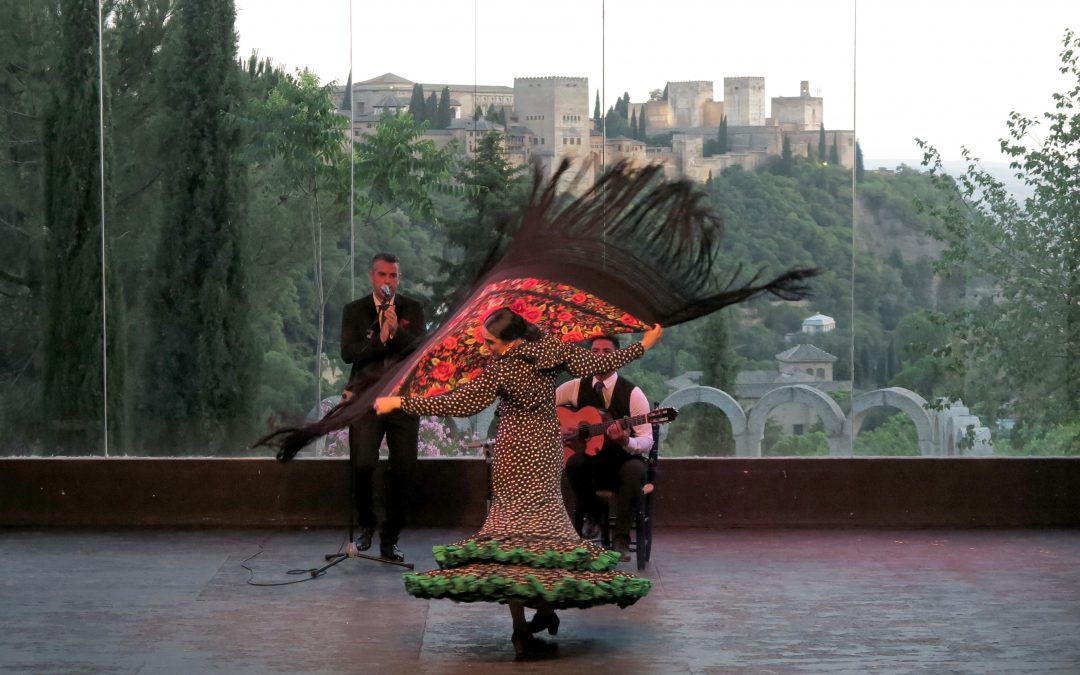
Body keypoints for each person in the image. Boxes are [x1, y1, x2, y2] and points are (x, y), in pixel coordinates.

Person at [374, 308, 662, 658]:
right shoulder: (550, 351)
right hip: (544, 454)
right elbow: (593, 363)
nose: (487, 347)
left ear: (510, 341)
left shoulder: (502, 368)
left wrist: (401, 402)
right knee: (543, 535)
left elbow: (460, 402)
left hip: (515, 458)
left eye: (491, 342)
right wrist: (643, 345)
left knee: (510, 539)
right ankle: (541, 607)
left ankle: (521, 627)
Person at [340, 252, 426, 562]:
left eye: (393, 276)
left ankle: (390, 539)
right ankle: (366, 526)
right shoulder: (355, 310)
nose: (387, 281)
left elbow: (421, 348)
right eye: (382, 275)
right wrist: (381, 337)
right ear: (372, 276)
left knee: (403, 469)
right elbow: (348, 353)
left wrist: (398, 331)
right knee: (363, 464)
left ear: (398, 279)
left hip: (403, 399)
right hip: (367, 399)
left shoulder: (412, 309)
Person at [556, 334, 651, 561]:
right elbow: (543, 408)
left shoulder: (633, 393)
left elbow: (647, 440)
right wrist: (559, 429)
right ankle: (594, 514)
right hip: (592, 464)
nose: (600, 356)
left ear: (617, 357)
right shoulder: (575, 387)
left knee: (635, 471)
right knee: (575, 462)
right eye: (595, 351)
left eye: (606, 352)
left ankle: (621, 539)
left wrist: (625, 440)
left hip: (622, 461)